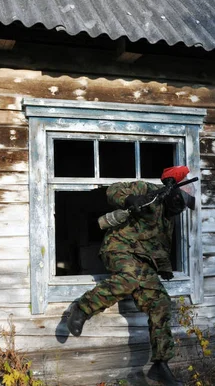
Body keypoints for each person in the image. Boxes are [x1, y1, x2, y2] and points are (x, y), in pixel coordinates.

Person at [66, 165, 196, 386]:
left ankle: (160, 364)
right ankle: (81, 309)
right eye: (178, 204)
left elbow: (160, 247)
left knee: (161, 302)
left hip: (142, 262)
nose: (179, 210)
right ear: (173, 193)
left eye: (182, 208)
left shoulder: (168, 219)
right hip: (118, 248)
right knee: (129, 278)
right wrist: (130, 200)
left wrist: (163, 269)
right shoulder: (147, 191)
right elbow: (112, 191)